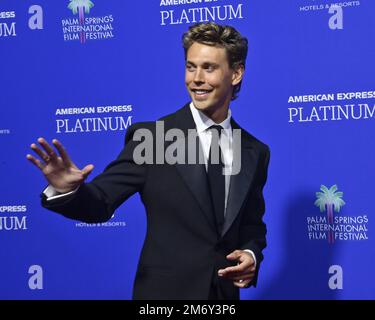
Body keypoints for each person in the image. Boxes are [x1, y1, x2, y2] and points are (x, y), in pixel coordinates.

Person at [26, 22, 270, 300]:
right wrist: (67, 189)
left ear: (236, 73)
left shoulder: (254, 151)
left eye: (209, 68)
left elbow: (252, 225)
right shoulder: (154, 139)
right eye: (190, 67)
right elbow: (101, 202)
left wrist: (251, 254)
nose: (196, 79)